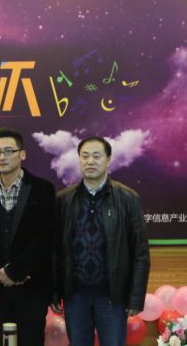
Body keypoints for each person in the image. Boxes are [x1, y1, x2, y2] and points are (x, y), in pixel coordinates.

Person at [52, 136, 150, 346]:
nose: (90, 161)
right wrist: (54, 293)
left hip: (112, 297)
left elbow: (140, 252)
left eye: (96, 156)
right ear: (79, 159)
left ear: (108, 160)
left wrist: (135, 297)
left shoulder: (127, 198)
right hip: (75, 296)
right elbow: (54, 251)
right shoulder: (63, 200)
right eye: (85, 156)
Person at [0, 128, 55, 344]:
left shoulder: (42, 188)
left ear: (22, 154)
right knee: (5, 341)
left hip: (33, 286)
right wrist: (0, 272)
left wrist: (16, 271)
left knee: (30, 340)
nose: (2, 157)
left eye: (9, 151)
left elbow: (45, 236)